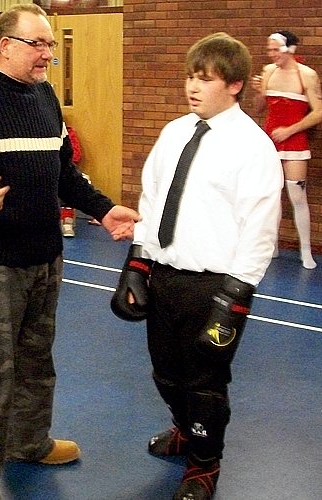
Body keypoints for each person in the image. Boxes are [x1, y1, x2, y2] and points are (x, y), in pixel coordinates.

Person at [0, 3, 139, 499]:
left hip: (46, 258)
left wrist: (103, 209)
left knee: (37, 362)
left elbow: (62, 171)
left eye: (50, 45)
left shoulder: (44, 96)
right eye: (38, 43)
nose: (47, 54)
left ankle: (28, 443)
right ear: (5, 45)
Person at [111, 33, 283, 500]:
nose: (193, 87)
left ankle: (205, 466)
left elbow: (260, 229)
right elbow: (152, 198)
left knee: (204, 381)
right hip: (165, 276)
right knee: (165, 373)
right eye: (191, 76)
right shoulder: (175, 132)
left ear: (235, 84)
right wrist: (138, 263)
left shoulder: (253, 146)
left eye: (205, 79)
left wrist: (235, 299)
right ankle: (185, 430)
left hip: (214, 286)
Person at [252, 30, 322, 269]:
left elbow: (318, 112)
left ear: (289, 49)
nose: (272, 54)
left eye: (276, 50)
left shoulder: (306, 75)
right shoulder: (268, 71)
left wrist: (290, 130)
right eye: (269, 50)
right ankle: (272, 245)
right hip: (270, 140)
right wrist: (260, 92)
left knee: (297, 195)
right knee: (271, 194)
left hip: (294, 141)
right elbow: (259, 108)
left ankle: (305, 251)